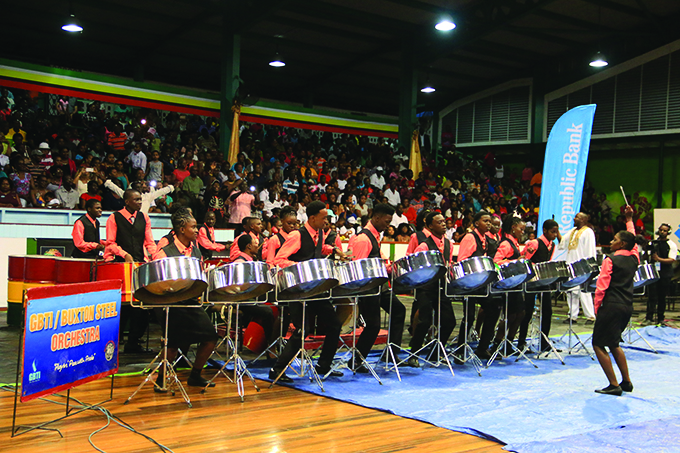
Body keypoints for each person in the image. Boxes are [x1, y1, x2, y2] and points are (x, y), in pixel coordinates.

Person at [269, 201, 347, 383]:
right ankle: (277, 369)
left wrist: (334, 250)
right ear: (312, 218)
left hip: (314, 288)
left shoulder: (319, 233)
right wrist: (302, 267)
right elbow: (279, 259)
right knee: (303, 330)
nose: (326, 221)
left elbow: (317, 250)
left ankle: (323, 365)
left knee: (334, 324)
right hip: (298, 290)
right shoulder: (297, 235)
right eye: (324, 217)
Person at [152, 208, 219, 390]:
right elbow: (155, 280)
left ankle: (195, 375)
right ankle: (161, 379)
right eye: (193, 227)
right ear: (182, 229)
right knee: (173, 343)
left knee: (211, 337)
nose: (197, 230)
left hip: (190, 301)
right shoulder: (165, 252)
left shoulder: (196, 252)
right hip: (170, 302)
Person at [347, 203, 406, 371]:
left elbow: (379, 260)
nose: (388, 226)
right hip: (368, 288)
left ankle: (392, 353)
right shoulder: (363, 239)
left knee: (399, 310)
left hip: (380, 286)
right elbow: (357, 267)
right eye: (386, 222)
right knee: (373, 326)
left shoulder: (375, 237)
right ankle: (356, 360)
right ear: (376, 217)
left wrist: (391, 267)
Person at [591, 206, 641, 396]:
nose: (611, 242)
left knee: (598, 344)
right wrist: (629, 219)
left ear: (621, 245)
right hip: (626, 306)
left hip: (610, 306)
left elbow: (601, 286)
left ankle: (613, 384)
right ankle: (626, 381)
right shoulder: (634, 257)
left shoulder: (610, 260)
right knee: (614, 343)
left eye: (614, 240)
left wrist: (597, 309)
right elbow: (633, 239)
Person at [105, 189, 158, 353]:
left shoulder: (144, 217)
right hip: (121, 265)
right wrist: (124, 254)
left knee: (142, 304)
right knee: (123, 305)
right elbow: (110, 243)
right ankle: (114, 342)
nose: (140, 203)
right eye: (136, 200)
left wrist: (156, 256)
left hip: (140, 265)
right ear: (126, 201)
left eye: (141, 200)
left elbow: (149, 242)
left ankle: (133, 342)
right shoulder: (114, 218)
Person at [409, 212, 456, 367]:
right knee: (424, 321)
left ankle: (435, 352)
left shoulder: (449, 243)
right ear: (430, 226)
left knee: (450, 321)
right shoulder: (423, 245)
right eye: (439, 222)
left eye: (444, 221)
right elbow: (415, 266)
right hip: (426, 287)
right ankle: (414, 353)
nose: (443, 224)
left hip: (441, 287)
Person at [454, 211, 493, 360]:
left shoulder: (485, 239)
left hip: (480, 283)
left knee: (493, 308)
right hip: (469, 283)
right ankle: (460, 349)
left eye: (490, 221)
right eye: (485, 221)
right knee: (469, 317)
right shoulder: (470, 237)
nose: (488, 224)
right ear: (476, 223)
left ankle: (483, 347)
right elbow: (463, 259)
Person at [522, 219, 561, 351]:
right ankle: (521, 342)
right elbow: (525, 261)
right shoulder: (535, 243)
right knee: (527, 312)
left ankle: (544, 342)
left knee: (547, 311)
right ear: (544, 231)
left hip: (543, 281)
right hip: (531, 282)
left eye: (556, 232)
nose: (555, 235)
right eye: (552, 232)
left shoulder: (552, 245)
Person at [490, 216, 527, 351]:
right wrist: (514, 262)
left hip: (515, 282)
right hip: (507, 283)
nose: (523, 232)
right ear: (513, 228)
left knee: (520, 314)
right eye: (521, 229)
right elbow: (496, 261)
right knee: (510, 315)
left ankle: (509, 342)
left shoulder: (514, 242)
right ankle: (498, 342)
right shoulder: (506, 244)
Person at [557, 212, 597, 324]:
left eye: (577, 217)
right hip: (570, 265)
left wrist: (588, 266)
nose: (575, 218)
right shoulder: (573, 231)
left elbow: (590, 250)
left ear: (584, 219)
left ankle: (590, 316)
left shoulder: (588, 232)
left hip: (582, 266)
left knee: (584, 292)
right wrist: (557, 232)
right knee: (571, 292)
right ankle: (572, 316)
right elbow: (563, 243)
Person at [643, 222, 677, 326]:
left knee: (662, 296)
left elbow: (672, 259)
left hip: (665, 273)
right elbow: (646, 255)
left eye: (665, 231)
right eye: (661, 230)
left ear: (668, 232)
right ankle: (649, 317)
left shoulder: (671, 244)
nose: (662, 232)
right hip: (653, 272)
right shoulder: (653, 243)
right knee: (651, 296)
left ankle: (660, 318)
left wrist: (659, 259)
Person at [104, 178, 174, 214]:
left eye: (139, 187)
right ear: (133, 188)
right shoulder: (128, 195)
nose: (138, 189)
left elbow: (160, 192)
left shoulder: (148, 196)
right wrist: (107, 182)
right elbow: (116, 189)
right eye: (136, 188)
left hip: (143, 221)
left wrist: (170, 188)